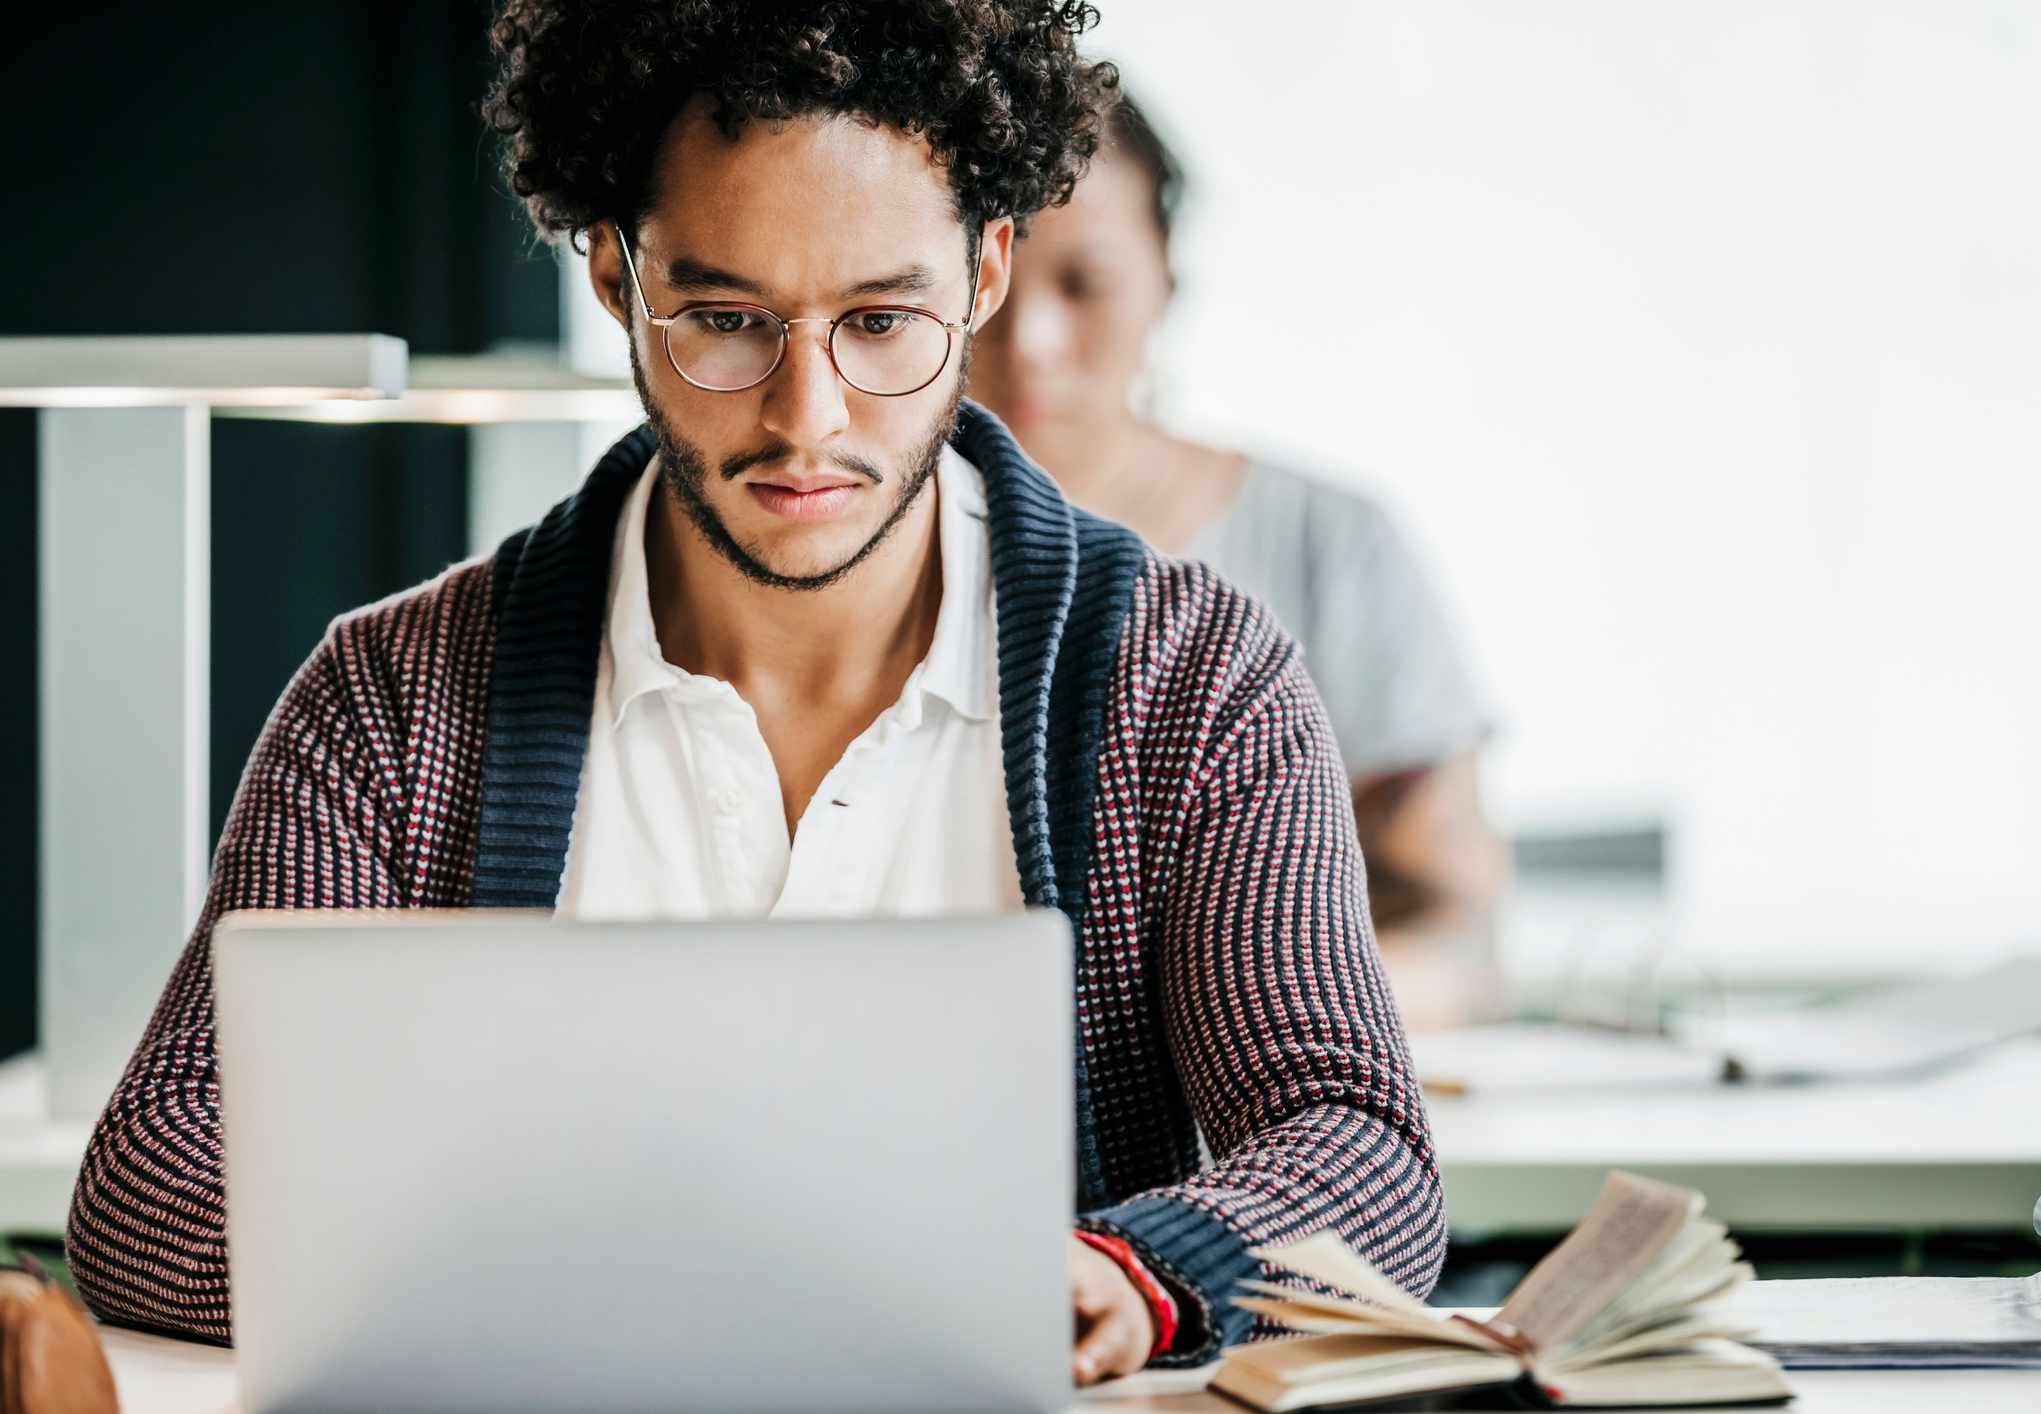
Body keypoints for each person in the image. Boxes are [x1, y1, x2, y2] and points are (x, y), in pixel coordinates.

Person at [64, 0, 1443, 1385]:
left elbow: (1354, 1139)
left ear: (987, 270)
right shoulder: (392, 699)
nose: (808, 419)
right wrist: (664, 1273)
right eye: (724, 320)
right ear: (612, 273)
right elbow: (155, 1176)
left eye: (881, 322)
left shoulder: (1189, 681)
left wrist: (1138, 1271)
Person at [968, 96, 1510, 1010]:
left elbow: (1459, 930)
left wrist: (1261, 1041)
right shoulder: (833, 545)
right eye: (987, 285)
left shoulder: (1329, 548)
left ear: (1165, 279)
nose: (1030, 344)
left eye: (1085, 284)